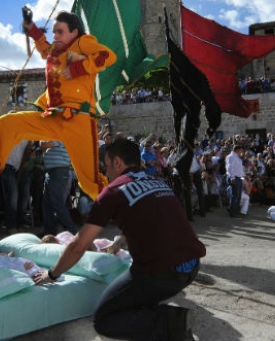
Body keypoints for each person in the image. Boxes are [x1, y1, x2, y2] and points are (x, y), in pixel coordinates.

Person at [33, 139, 205, 341]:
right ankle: (170, 328)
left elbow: (78, 245)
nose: (106, 172)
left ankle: (173, 321)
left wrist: (52, 274)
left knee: (104, 319)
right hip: (192, 266)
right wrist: (118, 243)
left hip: (161, 273)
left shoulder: (113, 191)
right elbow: (152, 218)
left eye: (106, 166)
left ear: (117, 163)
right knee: (136, 302)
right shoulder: (157, 182)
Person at [0, 10, 117, 203]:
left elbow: (107, 56)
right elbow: (44, 47)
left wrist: (77, 68)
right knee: (6, 123)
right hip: (53, 118)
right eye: (54, 31)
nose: (55, 36)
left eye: (60, 31)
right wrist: (31, 28)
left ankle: (123, 204)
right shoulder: (57, 51)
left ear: (74, 32)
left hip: (78, 121)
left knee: (89, 183)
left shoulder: (83, 42)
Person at [40, 140, 76, 236]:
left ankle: (71, 230)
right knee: (47, 204)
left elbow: (44, 144)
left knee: (57, 202)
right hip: (52, 172)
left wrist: (41, 139)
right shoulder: (56, 135)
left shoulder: (60, 135)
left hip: (58, 172)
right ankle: (49, 232)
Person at [226, 145, 245, 218]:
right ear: (237, 150)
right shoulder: (231, 157)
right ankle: (233, 212)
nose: (241, 152)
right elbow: (229, 168)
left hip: (239, 178)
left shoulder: (236, 157)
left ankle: (235, 210)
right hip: (235, 178)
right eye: (241, 150)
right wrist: (232, 178)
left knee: (238, 196)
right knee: (235, 196)